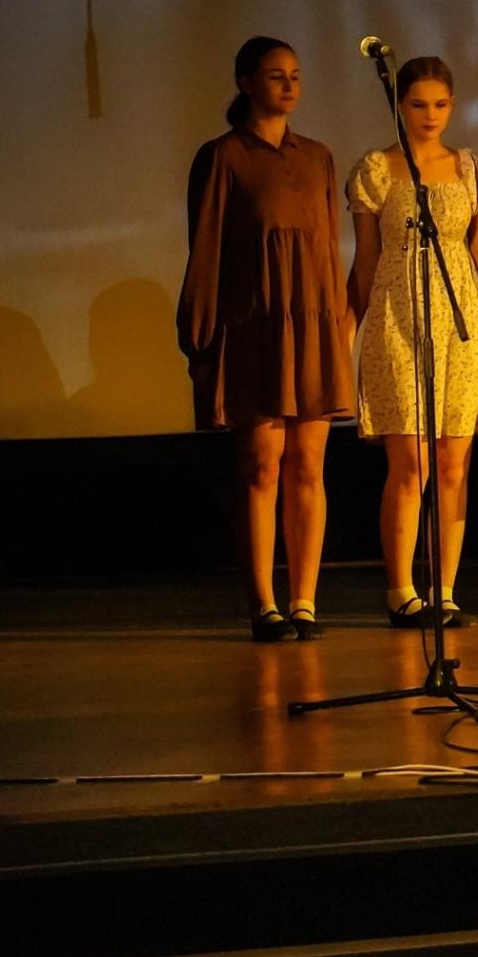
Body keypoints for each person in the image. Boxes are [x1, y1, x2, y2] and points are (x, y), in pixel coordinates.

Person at [179, 38, 354, 641]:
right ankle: (264, 603)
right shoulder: (223, 156)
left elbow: (327, 246)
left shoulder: (318, 157)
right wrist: (201, 333)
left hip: (312, 324)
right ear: (246, 82)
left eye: (296, 76)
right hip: (255, 325)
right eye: (276, 75)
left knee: (309, 466)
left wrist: (338, 320)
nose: (289, 85)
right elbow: (206, 249)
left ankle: (304, 601)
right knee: (262, 466)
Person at [347, 56, 478, 629]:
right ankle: (401, 589)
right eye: (418, 104)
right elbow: (365, 260)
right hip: (398, 318)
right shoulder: (377, 168)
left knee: (454, 464)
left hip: (461, 322)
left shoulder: (468, 168)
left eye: (440, 105)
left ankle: (446, 589)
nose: (430, 115)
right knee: (411, 463)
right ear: (399, 105)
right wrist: (348, 328)